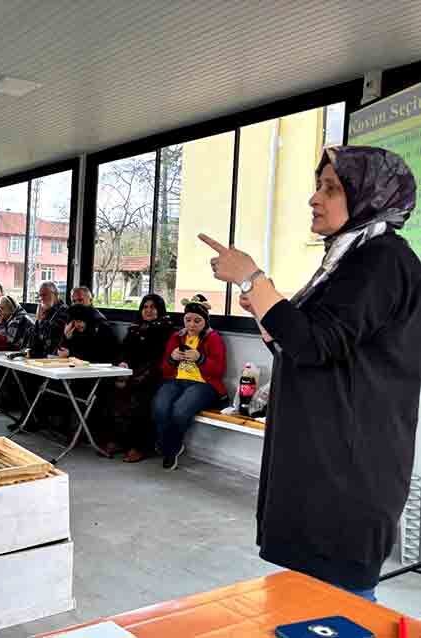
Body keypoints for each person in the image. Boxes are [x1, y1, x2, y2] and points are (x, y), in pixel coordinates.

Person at [201, 146, 421, 601]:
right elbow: (307, 345)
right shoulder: (349, 259)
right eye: (318, 186)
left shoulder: (381, 260)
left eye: (332, 188)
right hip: (324, 463)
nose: (314, 198)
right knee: (305, 603)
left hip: (348, 472)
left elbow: (315, 343)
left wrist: (253, 279)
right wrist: (265, 309)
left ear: (370, 196)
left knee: (336, 609)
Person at [153, 294, 227, 471]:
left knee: (180, 410)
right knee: (159, 406)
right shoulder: (176, 337)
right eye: (188, 320)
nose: (191, 325)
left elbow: (218, 371)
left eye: (197, 321)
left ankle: (170, 449)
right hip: (176, 380)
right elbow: (164, 369)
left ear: (205, 321)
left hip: (204, 384)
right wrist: (172, 358)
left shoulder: (213, 338)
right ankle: (168, 443)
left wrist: (200, 358)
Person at [109, 294, 174, 462]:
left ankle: (140, 447)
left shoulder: (166, 330)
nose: (148, 310)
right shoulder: (135, 328)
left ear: (160, 310)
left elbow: (160, 360)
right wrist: (122, 363)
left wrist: (136, 377)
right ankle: (120, 441)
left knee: (139, 397)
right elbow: (124, 350)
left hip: (155, 375)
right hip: (131, 372)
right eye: (145, 307)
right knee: (111, 391)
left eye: (153, 307)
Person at [29, 281, 69, 356]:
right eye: (40, 296)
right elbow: (32, 342)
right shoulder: (45, 311)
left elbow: (52, 335)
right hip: (41, 355)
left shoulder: (64, 311)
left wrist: (40, 321)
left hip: (55, 356)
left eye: (44, 295)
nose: (41, 298)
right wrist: (37, 321)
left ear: (56, 295)